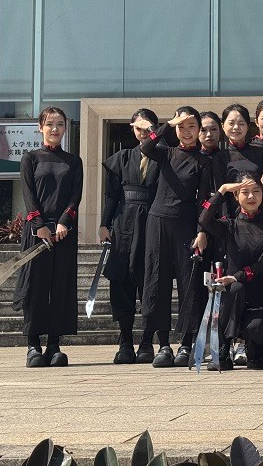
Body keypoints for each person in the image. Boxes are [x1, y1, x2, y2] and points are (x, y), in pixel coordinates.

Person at [133, 107, 212, 368]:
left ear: (199, 130)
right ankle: (163, 344)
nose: (186, 132)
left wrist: (202, 230)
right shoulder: (165, 152)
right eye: (181, 127)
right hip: (157, 222)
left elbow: (203, 201)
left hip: (186, 226)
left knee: (189, 285)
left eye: (191, 126)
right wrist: (169, 123)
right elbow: (146, 147)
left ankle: (186, 343)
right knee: (157, 281)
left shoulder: (204, 161)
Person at [15, 106, 83, 368]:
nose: (55, 129)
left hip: (63, 233)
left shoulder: (73, 161)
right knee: (35, 286)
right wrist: (39, 225)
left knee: (60, 287)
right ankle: (33, 344)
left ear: (66, 128)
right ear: (40, 127)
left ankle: (54, 344)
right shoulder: (30, 158)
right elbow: (28, 194)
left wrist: (65, 221)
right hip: (37, 233)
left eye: (60, 124)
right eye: (50, 124)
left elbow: (75, 195)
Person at [199, 171, 263, 370]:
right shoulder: (229, 226)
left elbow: (262, 264)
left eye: (256, 191)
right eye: (244, 192)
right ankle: (223, 348)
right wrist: (221, 191)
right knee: (235, 289)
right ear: (236, 196)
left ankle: (255, 349)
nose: (251, 196)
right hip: (232, 297)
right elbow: (204, 220)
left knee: (257, 327)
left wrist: (235, 277)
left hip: (258, 298)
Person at [99, 108, 160, 364]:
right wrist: (104, 224)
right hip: (123, 225)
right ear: (132, 129)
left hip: (152, 224)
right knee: (121, 283)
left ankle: (147, 341)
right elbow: (111, 196)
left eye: (148, 128)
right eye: (138, 128)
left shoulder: (164, 156)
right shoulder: (122, 158)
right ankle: (124, 341)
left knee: (151, 283)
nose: (143, 132)